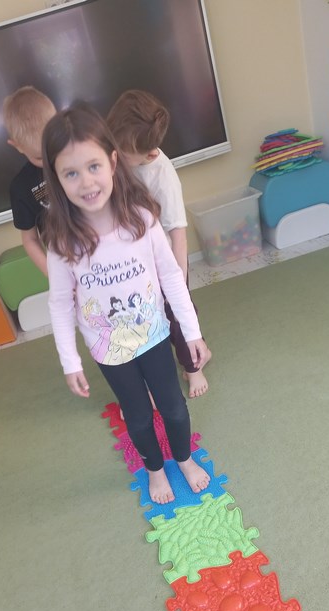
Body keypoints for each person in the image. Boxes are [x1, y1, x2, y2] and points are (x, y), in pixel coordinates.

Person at [41, 103, 211, 504]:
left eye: (94, 166)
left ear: (113, 162)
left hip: (154, 336)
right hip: (110, 350)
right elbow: (60, 304)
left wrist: (191, 332)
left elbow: (171, 276)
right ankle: (155, 470)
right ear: (57, 179)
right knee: (137, 416)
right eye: (71, 173)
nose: (86, 182)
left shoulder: (141, 218)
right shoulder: (62, 243)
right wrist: (70, 361)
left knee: (173, 407)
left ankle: (184, 459)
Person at [107, 89, 211, 398]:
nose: (116, 158)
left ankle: (194, 367)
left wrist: (177, 283)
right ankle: (154, 372)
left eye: (124, 154)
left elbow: (178, 234)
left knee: (176, 316)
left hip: (165, 258)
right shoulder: (113, 155)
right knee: (143, 317)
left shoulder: (162, 174)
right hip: (133, 259)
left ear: (149, 154)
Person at [3, 86, 57, 276]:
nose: (49, 161)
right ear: (17, 146)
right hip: (64, 262)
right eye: (39, 158)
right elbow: (29, 239)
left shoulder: (81, 157)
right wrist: (51, 273)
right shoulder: (20, 187)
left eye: (52, 150)